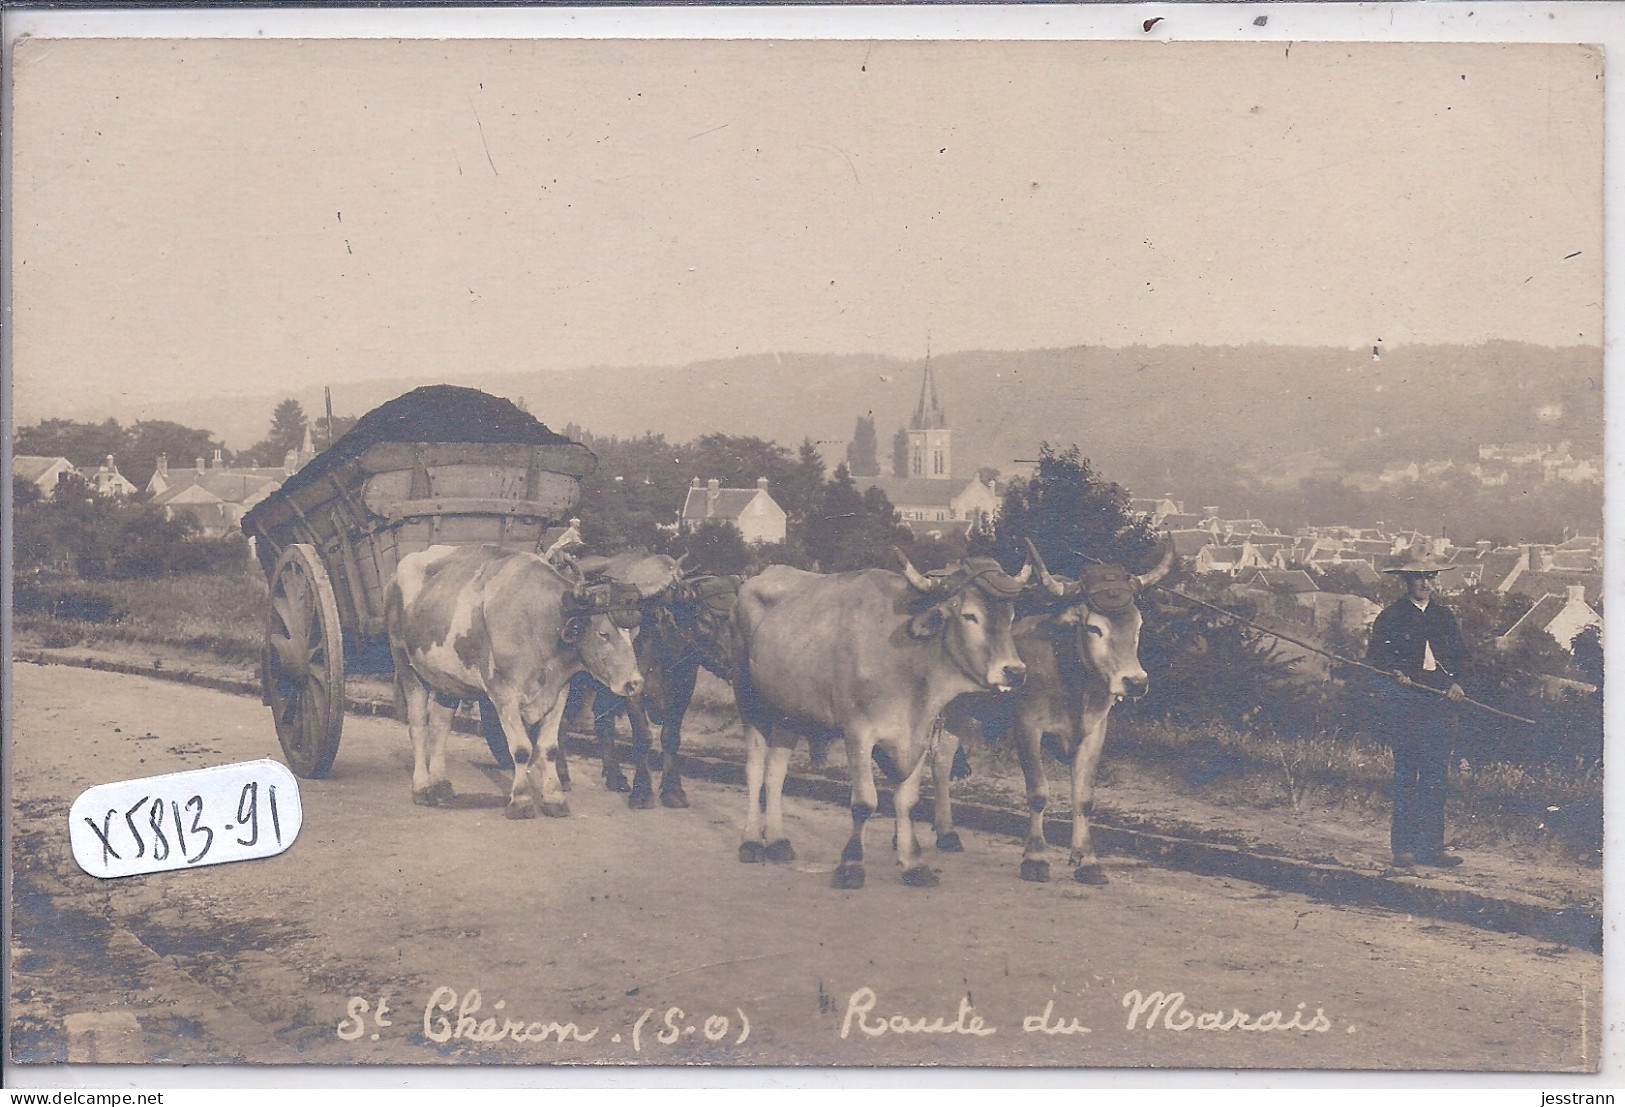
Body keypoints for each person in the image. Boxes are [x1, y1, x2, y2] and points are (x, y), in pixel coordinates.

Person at [1365, 559, 1469, 869]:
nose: (1425, 583)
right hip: (1407, 704)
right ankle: (1404, 848)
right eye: (1418, 578)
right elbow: (1375, 660)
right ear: (1406, 581)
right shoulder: (1391, 617)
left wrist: (1458, 684)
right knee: (1408, 776)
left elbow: (1463, 658)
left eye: (1430, 577)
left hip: (1439, 703)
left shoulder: (1443, 616)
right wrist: (1393, 673)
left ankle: (1432, 848)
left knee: (1436, 777)